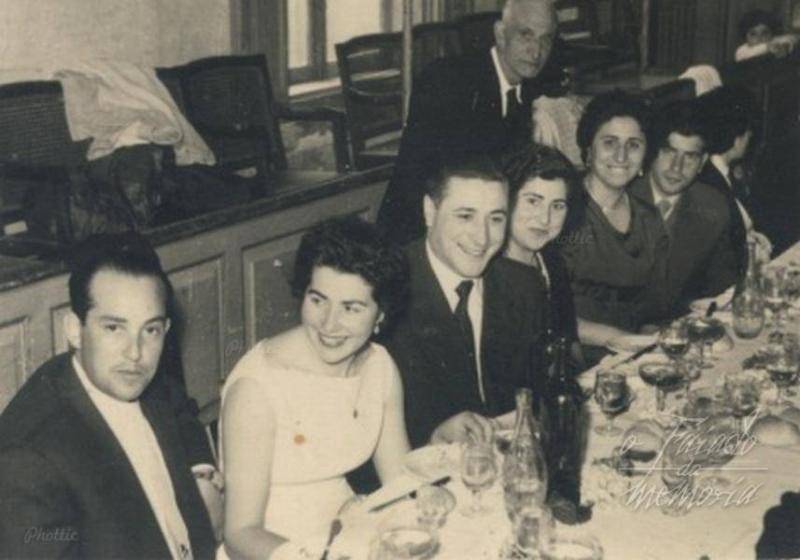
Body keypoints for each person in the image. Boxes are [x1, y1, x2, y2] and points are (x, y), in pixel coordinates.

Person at [0, 232, 217, 558]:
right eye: (114, 328)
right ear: (74, 330)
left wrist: (201, 471)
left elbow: (179, 406)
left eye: (151, 330)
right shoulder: (27, 458)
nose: (135, 352)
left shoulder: (134, 376)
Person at [219, 217, 411, 559]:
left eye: (351, 308)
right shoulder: (257, 387)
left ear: (381, 315)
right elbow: (240, 534)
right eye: (318, 300)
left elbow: (399, 485)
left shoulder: (379, 366)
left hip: (347, 537)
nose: (328, 324)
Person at [383, 155, 548, 449]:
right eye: (465, 216)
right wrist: (434, 438)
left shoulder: (523, 285)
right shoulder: (386, 287)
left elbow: (539, 390)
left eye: (495, 219)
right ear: (430, 211)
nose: (482, 238)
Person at [377, 0, 566, 245]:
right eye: (525, 35)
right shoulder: (448, 80)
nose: (536, 51)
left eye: (546, 39)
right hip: (418, 237)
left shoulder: (523, 91)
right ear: (500, 33)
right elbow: (432, 182)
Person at [561, 90, 668, 342]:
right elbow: (546, 311)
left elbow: (652, 310)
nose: (621, 156)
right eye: (609, 143)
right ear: (589, 149)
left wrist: (651, 339)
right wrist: (622, 340)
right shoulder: (561, 209)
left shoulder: (649, 220)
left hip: (631, 350)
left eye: (633, 145)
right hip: (573, 351)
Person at [629, 101, 739, 316]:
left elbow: (721, 285)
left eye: (690, 156)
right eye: (669, 152)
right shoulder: (620, 198)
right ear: (652, 152)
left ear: (702, 162)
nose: (676, 167)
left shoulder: (713, 206)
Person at [502, 142, 582, 351]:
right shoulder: (489, 274)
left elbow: (569, 340)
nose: (545, 218)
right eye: (533, 201)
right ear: (507, 200)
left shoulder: (551, 261)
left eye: (557, 206)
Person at [695, 85, 772, 274]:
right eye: (748, 131)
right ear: (737, 137)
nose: (750, 136)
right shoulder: (708, 180)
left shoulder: (722, 171)